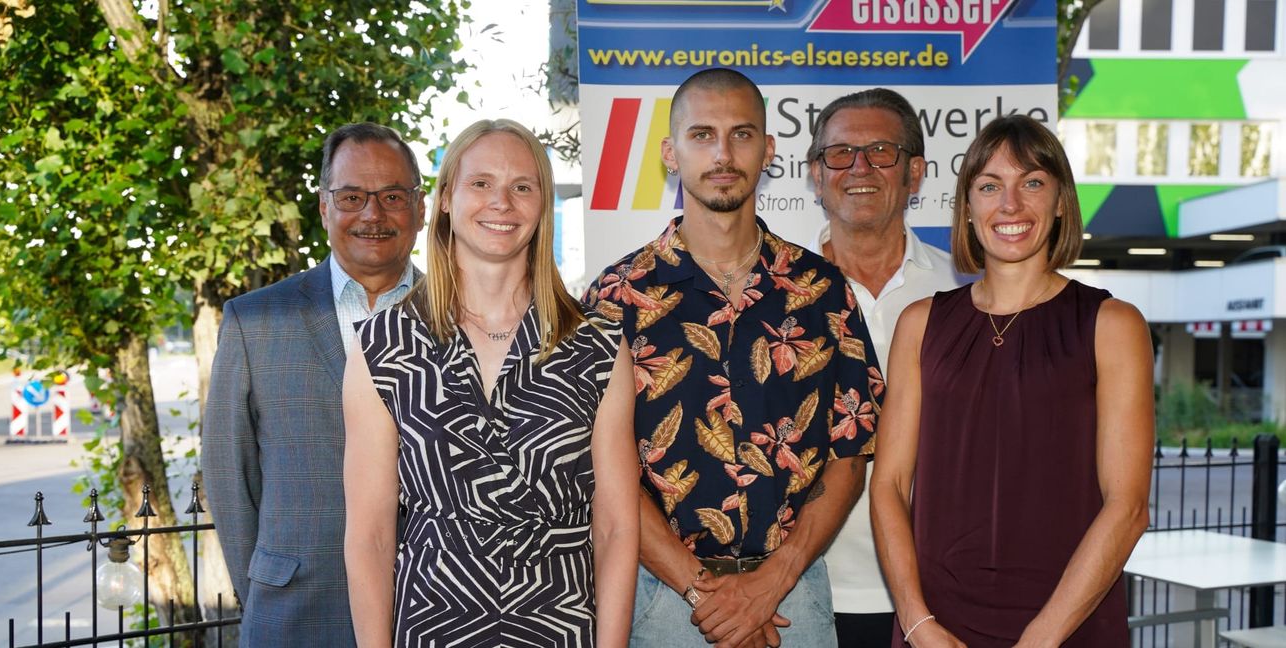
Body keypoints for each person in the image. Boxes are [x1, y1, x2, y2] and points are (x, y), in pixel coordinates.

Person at [583, 67, 884, 648]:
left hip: (793, 598)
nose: (722, 154)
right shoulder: (617, 296)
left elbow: (850, 453)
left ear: (768, 150)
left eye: (741, 134)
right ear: (670, 153)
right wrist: (706, 595)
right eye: (702, 135)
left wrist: (771, 582)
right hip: (660, 601)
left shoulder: (822, 289)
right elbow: (602, 469)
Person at [342, 118, 639, 648]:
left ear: (542, 207)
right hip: (433, 627)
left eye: (522, 187)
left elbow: (616, 527)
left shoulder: (597, 346)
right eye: (481, 183)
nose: (502, 202)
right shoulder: (383, 346)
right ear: (446, 199)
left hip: (560, 628)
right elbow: (370, 536)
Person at [870, 114, 1153, 647]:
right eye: (989, 186)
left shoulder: (1113, 325)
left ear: (1061, 200)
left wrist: (1041, 638)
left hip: (1069, 626)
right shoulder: (921, 324)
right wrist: (916, 621)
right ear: (967, 206)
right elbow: (888, 485)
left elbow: (1128, 507)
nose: (1010, 204)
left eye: (1032, 183)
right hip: (936, 628)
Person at [202, 122, 426, 646]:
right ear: (324, 207)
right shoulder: (255, 321)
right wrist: (264, 588)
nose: (372, 214)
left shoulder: (461, 319)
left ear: (420, 209)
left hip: (432, 609)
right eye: (351, 197)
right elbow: (229, 474)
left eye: (393, 196)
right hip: (295, 614)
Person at [807, 88, 967, 648]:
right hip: (803, 593)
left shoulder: (965, 292)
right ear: (815, 174)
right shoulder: (775, 295)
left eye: (881, 151)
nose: (860, 168)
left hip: (938, 596)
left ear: (915, 172)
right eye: (840, 153)